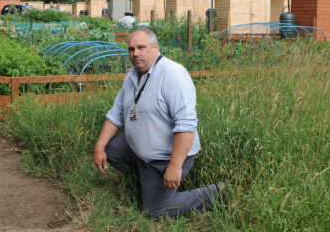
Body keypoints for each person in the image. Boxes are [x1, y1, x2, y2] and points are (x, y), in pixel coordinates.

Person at [93, 28, 229, 218]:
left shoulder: (172, 74)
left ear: (156, 47)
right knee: (111, 149)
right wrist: (99, 146)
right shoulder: (132, 76)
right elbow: (116, 113)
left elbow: (186, 126)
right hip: (141, 154)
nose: (135, 53)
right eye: (131, 49)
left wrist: (175, 166)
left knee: (155, 212)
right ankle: (148, 183)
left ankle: (216, 193)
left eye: (141, 47)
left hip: (166, 159)